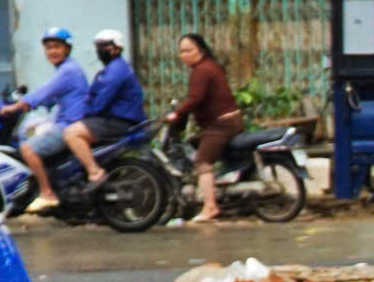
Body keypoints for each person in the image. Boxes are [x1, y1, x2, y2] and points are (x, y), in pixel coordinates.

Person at [0, 29, 88, 209]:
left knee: (27, 149)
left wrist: (15, 107)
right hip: (67, 122)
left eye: (57, 47)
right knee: (30, 133)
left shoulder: (68, 70)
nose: (53, 51)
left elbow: (44, 91)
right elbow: (51, 96)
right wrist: (30, 104)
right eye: (49, 47)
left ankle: (47, 193)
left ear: (67, 49)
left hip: (68, 125)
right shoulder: (66, 69)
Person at [162, 33, 243, 224]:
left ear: (201, 50)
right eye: (181, 52)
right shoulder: (210, 66)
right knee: (192, 144)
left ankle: (210, 206)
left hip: (221, 125)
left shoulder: (202, 70)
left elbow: (195, 99)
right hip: (226, 122)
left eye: (189, 50)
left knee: (202, 161)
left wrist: (176, 114)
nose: (184, 55)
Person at [62, 30, 147, 189]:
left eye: (104, 46)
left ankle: (95, 172)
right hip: (115, 119)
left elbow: (100, 102)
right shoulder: (112, 68)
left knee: (71, 133)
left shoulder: (116, 70)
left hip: (120, 121)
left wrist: (84, 115)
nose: (100, 50)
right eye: (98, 46)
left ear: (116, 48)